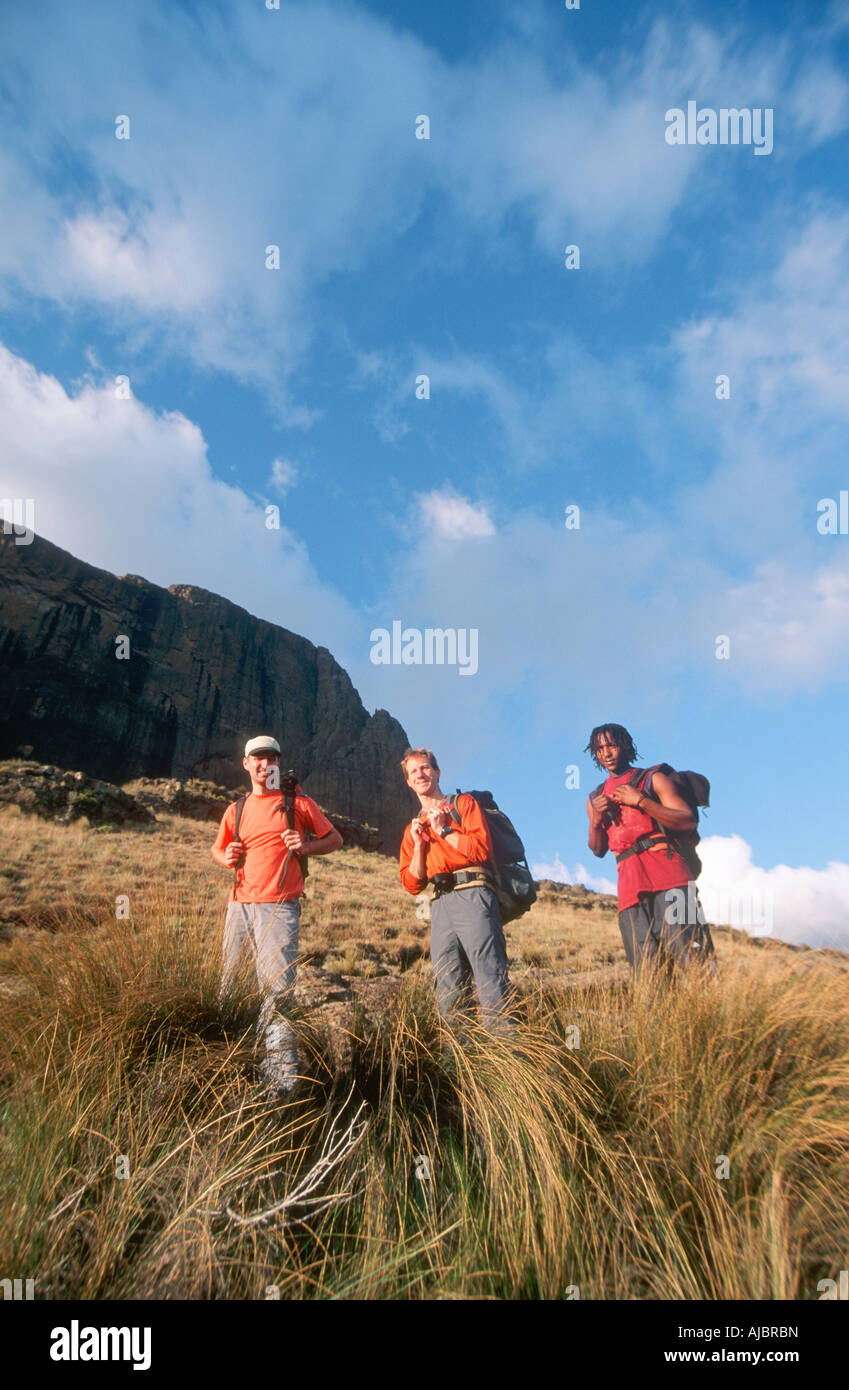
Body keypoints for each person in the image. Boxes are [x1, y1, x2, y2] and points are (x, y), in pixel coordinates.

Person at [211, 736, 343, 1094]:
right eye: (257, 759)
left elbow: (335, 839)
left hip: (280, 906)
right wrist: (227, 857)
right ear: (246, 764)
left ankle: (280, 1085)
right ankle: (232, 1069)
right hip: (238, 907)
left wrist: (307, 846)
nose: (264, 765)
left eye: (271, 759)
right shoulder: (235, 810)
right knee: (230, 987)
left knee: (276, 992)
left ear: (278, 765)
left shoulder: (297, 804)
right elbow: (217, 848)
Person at [585, 723, 714, 976]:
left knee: (695, 962)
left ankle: (711, 1014)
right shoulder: (595, 798)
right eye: (600, 749)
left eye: (611, 745)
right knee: (648, 975)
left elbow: (686, 819)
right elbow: (597, 850)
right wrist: (595, 822)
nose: (606, 753)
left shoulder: (653, 779)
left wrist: (640, 801)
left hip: (672, 880)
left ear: (625, 746)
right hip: (630, 893)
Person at [398, 747, 513, 1029]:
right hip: (440, 903)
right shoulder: (413, 829)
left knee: (489, 973)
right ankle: (456, 1061)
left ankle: (507, 1057)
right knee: (447, 983)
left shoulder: (463, 805)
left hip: (473, 893)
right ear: (409, 783)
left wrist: (445, 831)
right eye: (414, 772)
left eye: (425, 768)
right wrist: (421, 845)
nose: (420, 774)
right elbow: (412, 884)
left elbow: (481, 851)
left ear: (437, 772)